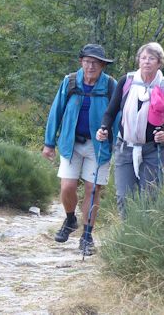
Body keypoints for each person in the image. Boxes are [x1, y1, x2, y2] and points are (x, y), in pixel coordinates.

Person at [43, 44, 117, 255]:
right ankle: (70, 220)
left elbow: (117, 116)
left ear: (103, 65)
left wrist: (115, 141)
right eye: (87, 61)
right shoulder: (70, 82)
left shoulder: (110, 86)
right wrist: (49, 143)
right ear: (81, 62)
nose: (90, 66)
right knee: (67, 187)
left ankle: (87, 236)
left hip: (99, 146)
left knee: (92, 190)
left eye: (95, 62)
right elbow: (56, 111)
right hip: (71, 143)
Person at [96, 42, 164, 219]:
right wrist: (103, 128)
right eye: (143, 58)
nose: (146, 62)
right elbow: (111, 111)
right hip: (125, 147)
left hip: (154, 149)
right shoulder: (127, 81)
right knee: (123, 196)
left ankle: (146, 237)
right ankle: (127, 236)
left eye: (152, 58)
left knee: (150, 197)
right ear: (138, 60)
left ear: (159, 63)